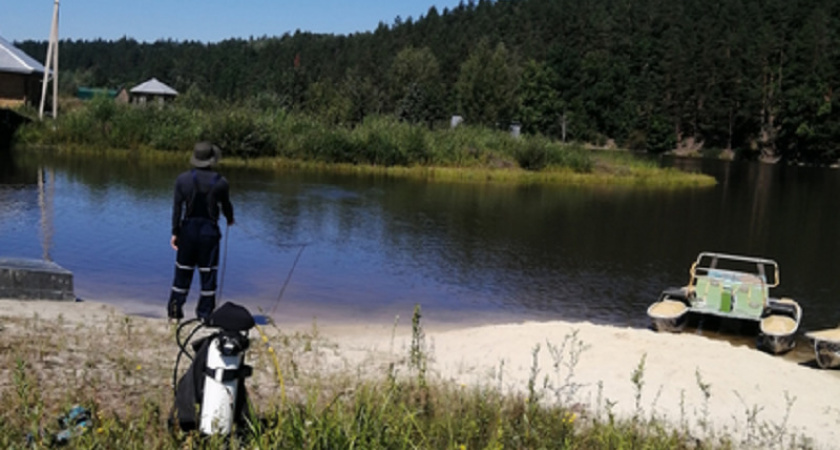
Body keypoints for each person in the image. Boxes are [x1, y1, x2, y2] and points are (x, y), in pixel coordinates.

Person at [167, 141, 235, 321]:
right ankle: (205, 314)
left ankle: (174, 312)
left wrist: (175, 232)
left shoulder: (182, 180)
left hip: (187, 231)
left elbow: (177, 209)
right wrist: (230, 219)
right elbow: (226, 206)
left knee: (182, 273)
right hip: (209, 233)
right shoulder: (221, 182)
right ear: (212, 160)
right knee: (208, 274)